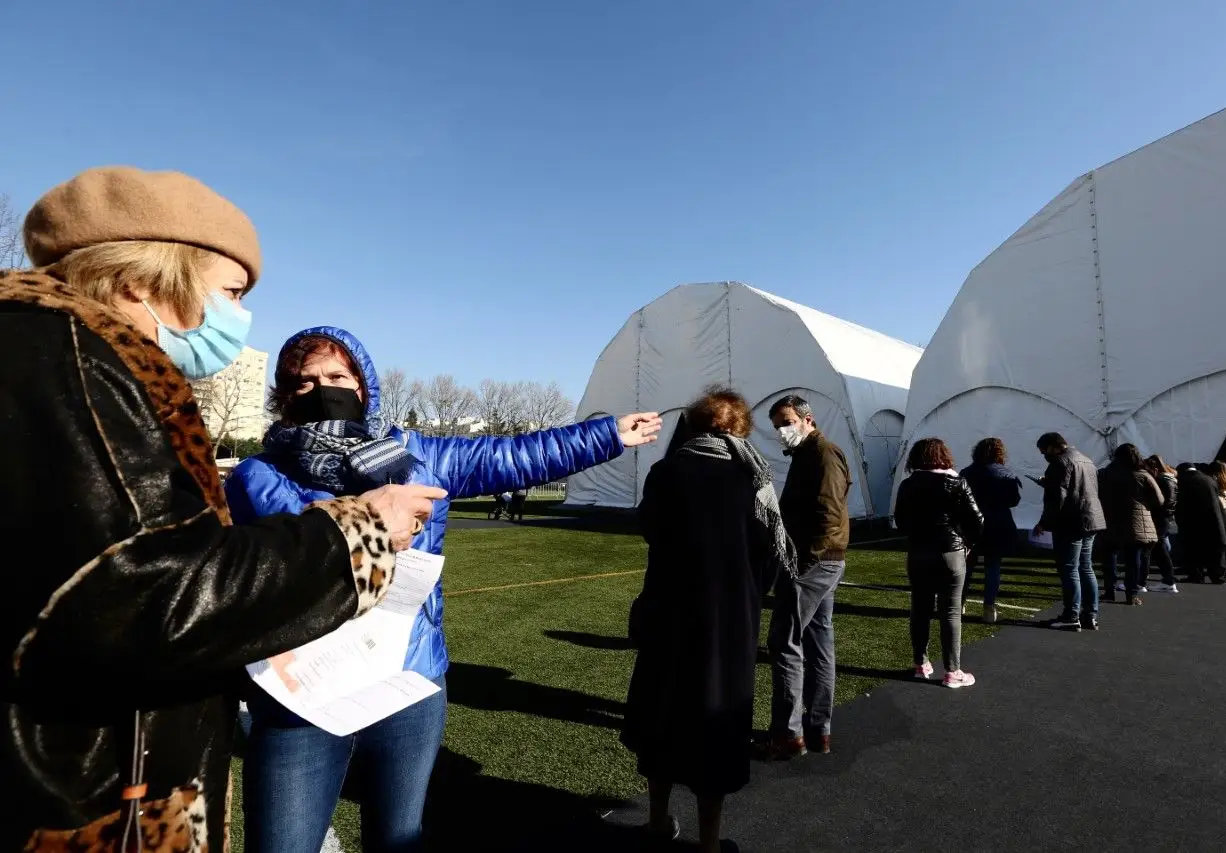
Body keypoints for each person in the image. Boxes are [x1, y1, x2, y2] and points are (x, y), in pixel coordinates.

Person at [0, 167, 440, 850]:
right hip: (81, 795)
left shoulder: (58, 358)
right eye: (231, 292)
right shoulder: (76, 369)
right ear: (146, 282)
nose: (238, 317)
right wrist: (362, 531)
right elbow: (144, 595)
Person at [224, 326, 662, 853]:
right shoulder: (254, 475)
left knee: (399, 838)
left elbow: (513, 456)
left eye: (337, 376)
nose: (322, 389)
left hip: (408, 676)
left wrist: (608, 434)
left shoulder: (416, 453)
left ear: (364, 385)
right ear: (284, 396)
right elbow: (242, 578)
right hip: (304, 691)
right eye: (304, 382)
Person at [623, 387, 795, 853]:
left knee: (662, 712)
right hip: (728, 622)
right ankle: (711, 841)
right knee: (716, 725)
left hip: (669, 611)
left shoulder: (667, 472)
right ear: (740, 429)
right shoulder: (753, 480)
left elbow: (652, 531)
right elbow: (770, 557)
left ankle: (657, 821)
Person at [760, 395, 852, 759]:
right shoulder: (808, 454)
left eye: (785, 422)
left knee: (785, 642)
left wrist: (802, 562)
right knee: (818, 641)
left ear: (806, 419)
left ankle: (788, 734)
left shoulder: (823, 453)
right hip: (819, 560)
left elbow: (828, 510)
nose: (781, 431)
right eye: (777, 426)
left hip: (813, 561)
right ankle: (817, 730)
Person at [894, 438, 983, 687]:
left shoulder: (908, 485)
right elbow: (977, 519)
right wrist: (967, 542)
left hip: (919, 552)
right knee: (951, 612)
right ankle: (952, 672)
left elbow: (900, 520)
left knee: (920, 609)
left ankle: (921, 664)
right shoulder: (956, 482)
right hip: (949, 552)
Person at [1033, 432, 1107, 631]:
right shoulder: (1086, 460)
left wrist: (1044, 522)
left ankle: (1071, 615)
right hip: (1091, 518)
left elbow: (1057, 497)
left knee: (1069, 569)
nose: (1044, 455)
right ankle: (1090, 615)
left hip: (1070, 521)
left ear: (1051, 447)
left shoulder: (1060, 463)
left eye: (1043, 451)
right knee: (1086, 567)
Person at [959, 437, 1021, 623]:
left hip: (972, 524)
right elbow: (1014, 500)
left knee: (967, 567)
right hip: (999, 524)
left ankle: (959, 604)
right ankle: (989, 608)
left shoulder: (967, 472)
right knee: (993, 567)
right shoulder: (1007, 474)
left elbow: (960, 499)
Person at [1097, 444, 1164, 606]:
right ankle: (1131, 595)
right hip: (1136, 522)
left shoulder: (1105, 473)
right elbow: (1159, 500)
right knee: (1133, 561)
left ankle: (1109, 591)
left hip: (1110, 519)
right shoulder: (1142, 475)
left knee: (1110, 558)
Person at [1175, 462, 1226, 584]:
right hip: (1214, 519)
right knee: (1215, 549)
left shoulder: (1186, 481)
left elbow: (1183, 504)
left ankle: (1196, 575)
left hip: (1193, 521)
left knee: (1193, 549)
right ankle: (1218, 576)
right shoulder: (1209, 479)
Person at [1143, 455, 1180, 593]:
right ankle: (1168, 580)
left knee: (1158, 550)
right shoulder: (1170, 479)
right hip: (1166, 518)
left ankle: (1167, 580)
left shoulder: (1161, 481)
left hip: (1159, 518)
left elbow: (1159, 501)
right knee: (1161, 549)